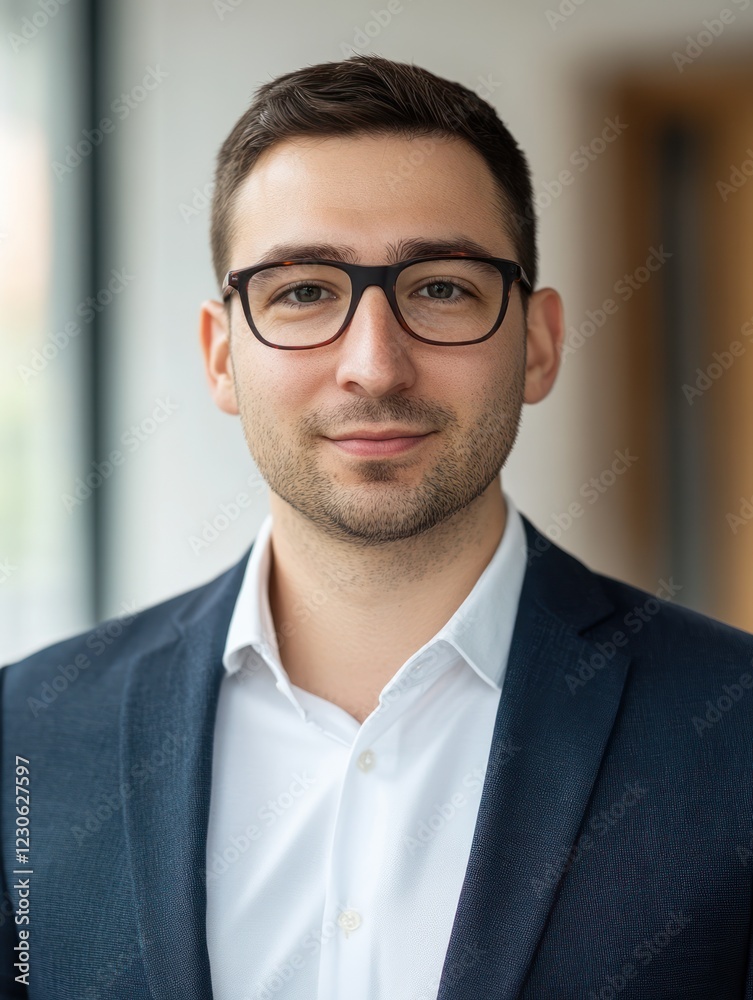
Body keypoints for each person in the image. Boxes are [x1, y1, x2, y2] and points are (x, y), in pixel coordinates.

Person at [2, 54, 752, 1000]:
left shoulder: (735, 731)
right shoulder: (25, 738)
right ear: (221, 356)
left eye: (440, 287)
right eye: (303, 291)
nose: (374, 366)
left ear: (540, 343)